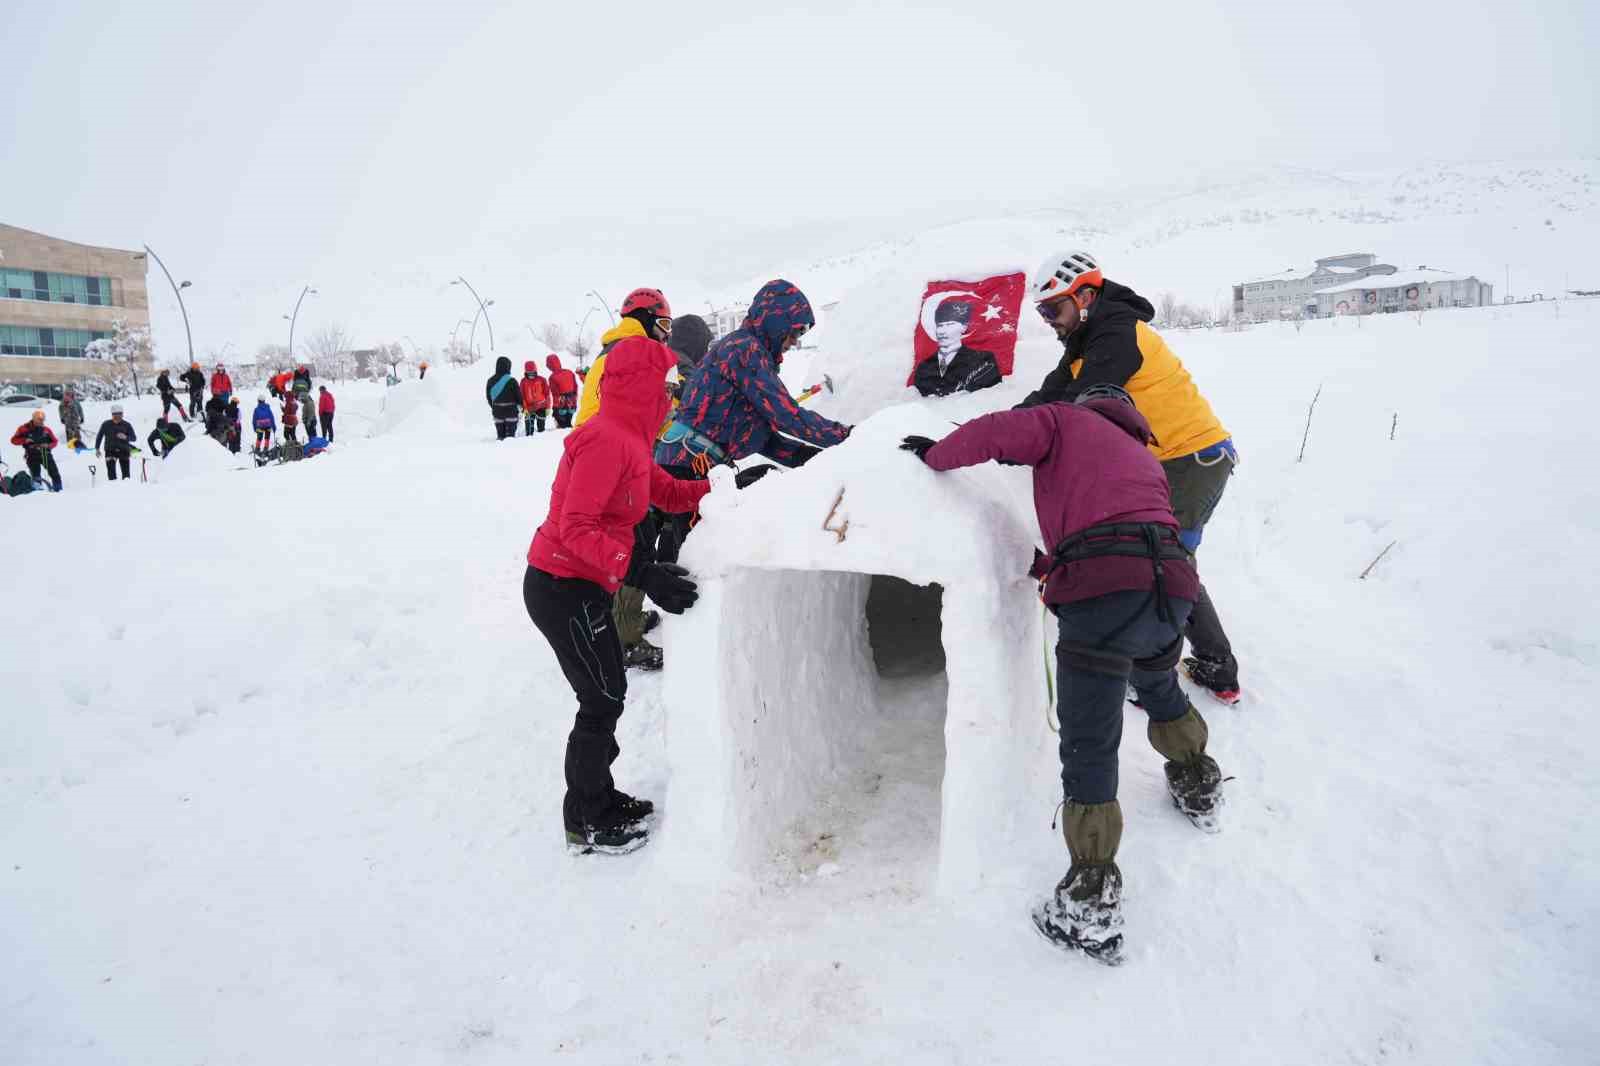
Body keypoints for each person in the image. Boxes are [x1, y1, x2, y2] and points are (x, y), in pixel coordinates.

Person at [901, 383, 1224, 965]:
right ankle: (1198, 779)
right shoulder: (1143, 457)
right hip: (1169, 584)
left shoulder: (1063, 422)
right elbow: (1119, 526)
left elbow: (997, 431)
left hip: (1104, 595)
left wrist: (935, 454)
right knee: (1157, 684)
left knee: (1090, 740)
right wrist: (1052, 564)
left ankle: (1091, 898)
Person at [1021, 251, 1242, 704]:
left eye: (1052, 308)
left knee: (1164, 565)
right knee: (1164, 561)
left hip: (1192, 459)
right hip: (1167, 462)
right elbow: (1051, 394)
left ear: (1084, 295)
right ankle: (1204, 666)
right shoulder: (1086, 340)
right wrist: (995, 427)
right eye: (1042, 311)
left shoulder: (1117, 336)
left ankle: (1172, 675)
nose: (1049, 320)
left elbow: (1079, 408)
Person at [525, 335, 712, 854]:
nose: (672, 397)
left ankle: (599, 797)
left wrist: (728, 482)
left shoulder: (629, 440)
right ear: (640, 387)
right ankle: (586, 818)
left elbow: (669, 492)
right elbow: (575, 527)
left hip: (583, 583)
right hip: (560, 585)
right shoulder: (605, 440)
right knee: (601, 698)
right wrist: (642, 573)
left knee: (608, 693)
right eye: (665, 386)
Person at [572, 289, 680, 670]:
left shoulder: (615, 350)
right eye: (664, 324)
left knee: (632, 541)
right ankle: (624, 637)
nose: (666, 335)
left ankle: (624, 617)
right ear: (648, 319)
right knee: (635, 545)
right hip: (611, 466)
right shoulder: (633, 353)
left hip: (608, 461)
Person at [656, 279, 850, 476]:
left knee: (765, 477)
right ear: (777, 323)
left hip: (695, 462)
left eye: (800, 334)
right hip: (683, 465)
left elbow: (763, 439)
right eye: (794, 332)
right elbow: (787, 416)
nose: (794, 341)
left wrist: (818, 460)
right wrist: (849, 437)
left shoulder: (749, 353)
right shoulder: (743, 350)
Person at [913, 297, 1001, 397]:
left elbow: (990, 395)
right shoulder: (924, 366)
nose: (942, 331)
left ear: (964, 327)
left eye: (950, 325)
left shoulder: (983, 360)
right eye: (940, 325)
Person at [11, 410, 62, 491]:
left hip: (45, 453)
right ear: (34, 419)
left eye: (43, 420)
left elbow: (55, 441)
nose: (41, 422)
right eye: (39, 420)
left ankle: (58, 489)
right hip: (31, 454)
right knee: (36, 475)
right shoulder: (23, 429)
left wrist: (48, 445)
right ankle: (38, 492)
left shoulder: (46, 430)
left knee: (54, 472)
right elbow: (13, 440)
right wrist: (25, 440)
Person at [95, 405, 138, 481]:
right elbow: (99, 436)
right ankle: (113, 489)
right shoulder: (106, 424)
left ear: (122, 415)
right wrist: (97, 449)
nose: (118, 417)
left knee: (126, 476)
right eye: (115, 415)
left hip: (124, 451)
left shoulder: (127, 425)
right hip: (110, 451)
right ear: (112, 415)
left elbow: (134, 438)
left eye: (120, 415)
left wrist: (125, 437)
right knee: (111, 476)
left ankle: (126, 489)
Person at [485, 355, 521, 440]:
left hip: (497, 412)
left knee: (500, 437)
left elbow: (489, 397)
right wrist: (521, 406)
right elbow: (519, 397)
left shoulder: (490, 381)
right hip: (511, 412)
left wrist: (495, 407)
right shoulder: (512, 381)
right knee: (510, 439)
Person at [546, 354, 579, 428]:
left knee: (562, 426)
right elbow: (575, 387)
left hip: (561, 404)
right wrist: (574, 400)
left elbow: (555, 394)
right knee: (569, 425)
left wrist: (555, 409)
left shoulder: (552, 377)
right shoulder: (569, 372)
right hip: (571, 402)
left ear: (549, 366)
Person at [520, 361, 550, 435]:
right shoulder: (523, 382)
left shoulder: (542, 380)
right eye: (529, 373)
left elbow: (547, 394)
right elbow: (522, 396)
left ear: (535, 371)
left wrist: (548, 407)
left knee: (541, 429)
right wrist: (524, 408)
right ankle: (529, 442)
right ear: (526, 372)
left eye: (533, 373)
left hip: (541, 406)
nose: (531, 375)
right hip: (529, 408)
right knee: (529, 430)